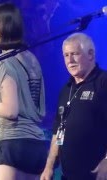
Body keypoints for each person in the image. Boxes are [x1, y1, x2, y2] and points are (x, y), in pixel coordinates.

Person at [0, 3, 47, 180]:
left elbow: (10, 110)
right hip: (36, 144)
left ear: (0, 27)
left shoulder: (4, 61)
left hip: (13, 142)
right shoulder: (31, 58)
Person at [40, 33, 107, 180]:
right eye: (66, 55)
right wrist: (49, 166)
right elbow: (58, 131)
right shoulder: (66, 90)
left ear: (90, 54)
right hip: (68, 175)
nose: (70, 60)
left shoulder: (103, 82)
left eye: (75, 54)